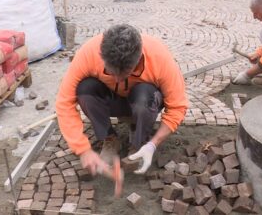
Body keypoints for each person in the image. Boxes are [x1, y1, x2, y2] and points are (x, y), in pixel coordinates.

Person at [56, 24, 188, 176]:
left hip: (143, 102)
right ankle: (110, 139)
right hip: (112, 100)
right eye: (111, 73)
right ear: (102, 56)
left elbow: (178, 107)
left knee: (145, 95)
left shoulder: (159, 56)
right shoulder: (89, 53)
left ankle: (139, 144)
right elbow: (64, 102)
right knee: (85, 89)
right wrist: (82, 150)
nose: (117, 79)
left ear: (138, 60)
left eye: (124, 74)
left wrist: (153, 144)